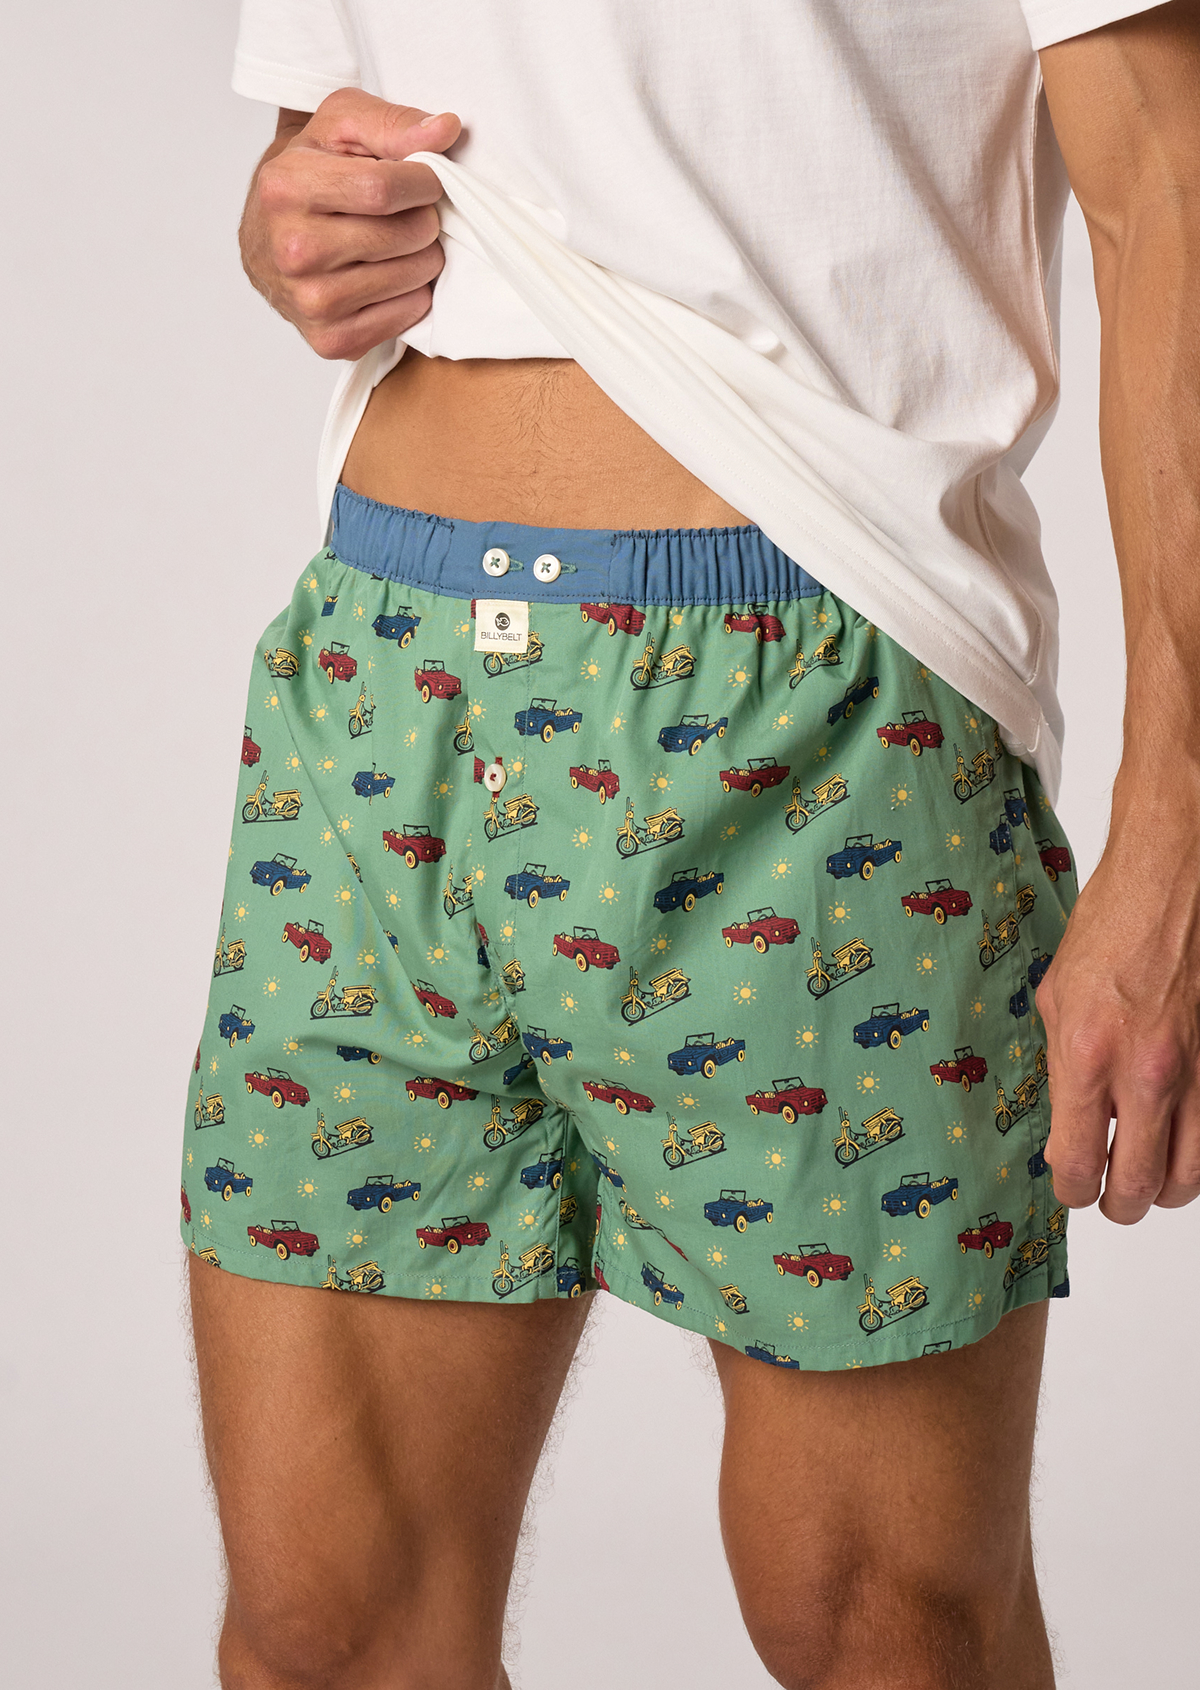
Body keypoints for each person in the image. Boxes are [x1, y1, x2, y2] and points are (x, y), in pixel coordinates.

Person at [181, 3, 1200, 1685]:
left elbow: (1171, 188)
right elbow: (319, 138)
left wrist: (1177, 845)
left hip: (824, 718)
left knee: (887, 1626)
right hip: (378, 692)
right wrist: (295, 216)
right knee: (323, 1626)